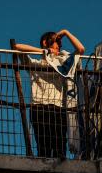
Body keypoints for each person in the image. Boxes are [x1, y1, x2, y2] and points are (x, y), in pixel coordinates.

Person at [12, 30, 85, 158]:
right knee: (43, 149)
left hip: (58, 109)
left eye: (59, 44)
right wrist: (44, 52)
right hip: (39, 108)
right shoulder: (35, 64)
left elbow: (80, 49)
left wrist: (66, 32)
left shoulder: (63, 64)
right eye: (55, 42)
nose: (58, 46)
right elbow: (17, 47)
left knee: (59, 150)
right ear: (45, 43)